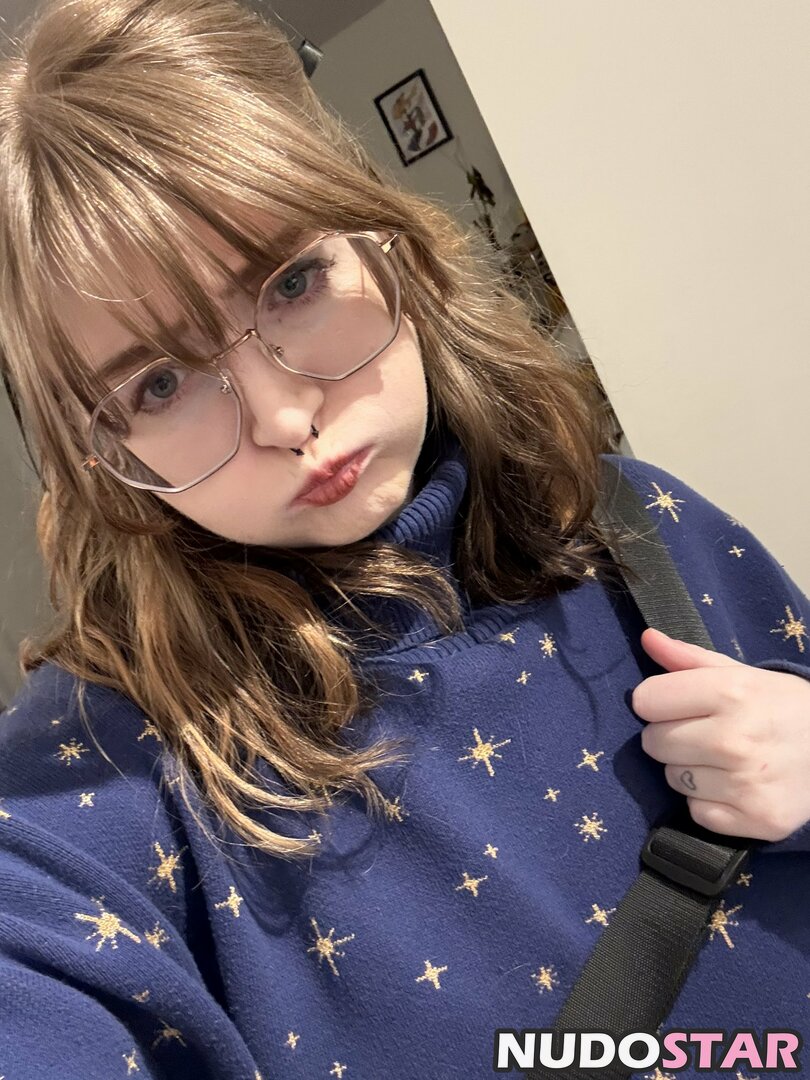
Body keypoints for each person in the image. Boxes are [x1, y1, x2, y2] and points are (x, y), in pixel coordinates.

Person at [0, 1, 808, 1077]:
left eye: (291, 283)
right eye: (158, 383)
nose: (285, 416)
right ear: (99, 450)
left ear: (383, 243)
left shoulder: (640, 529)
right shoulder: (96, 775)